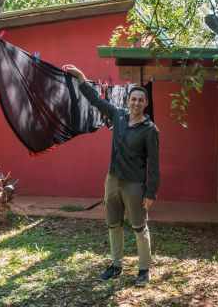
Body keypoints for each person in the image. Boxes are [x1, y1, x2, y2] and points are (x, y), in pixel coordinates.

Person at [62, 64, 159, 287]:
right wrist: (82, 77)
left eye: (140, 100)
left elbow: (153, 164)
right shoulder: (119, 116)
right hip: (113, 180)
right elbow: (96, 101)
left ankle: (144, 270)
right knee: (113, 224)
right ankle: (116, 265)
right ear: (128, 101)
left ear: (146, 104)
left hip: (134, 184)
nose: (136, 103)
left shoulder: (150, 130)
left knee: (139, 226)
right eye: (133, 99)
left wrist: (150, 192)